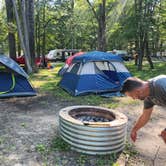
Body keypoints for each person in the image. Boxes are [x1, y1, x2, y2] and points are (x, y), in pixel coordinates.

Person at [121, 75, 166, 143]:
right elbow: (145, 116)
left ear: (138, 91)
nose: (133, 98)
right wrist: (134, 130)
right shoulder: (148, 98)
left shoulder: (161, 85)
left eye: (132, 96)